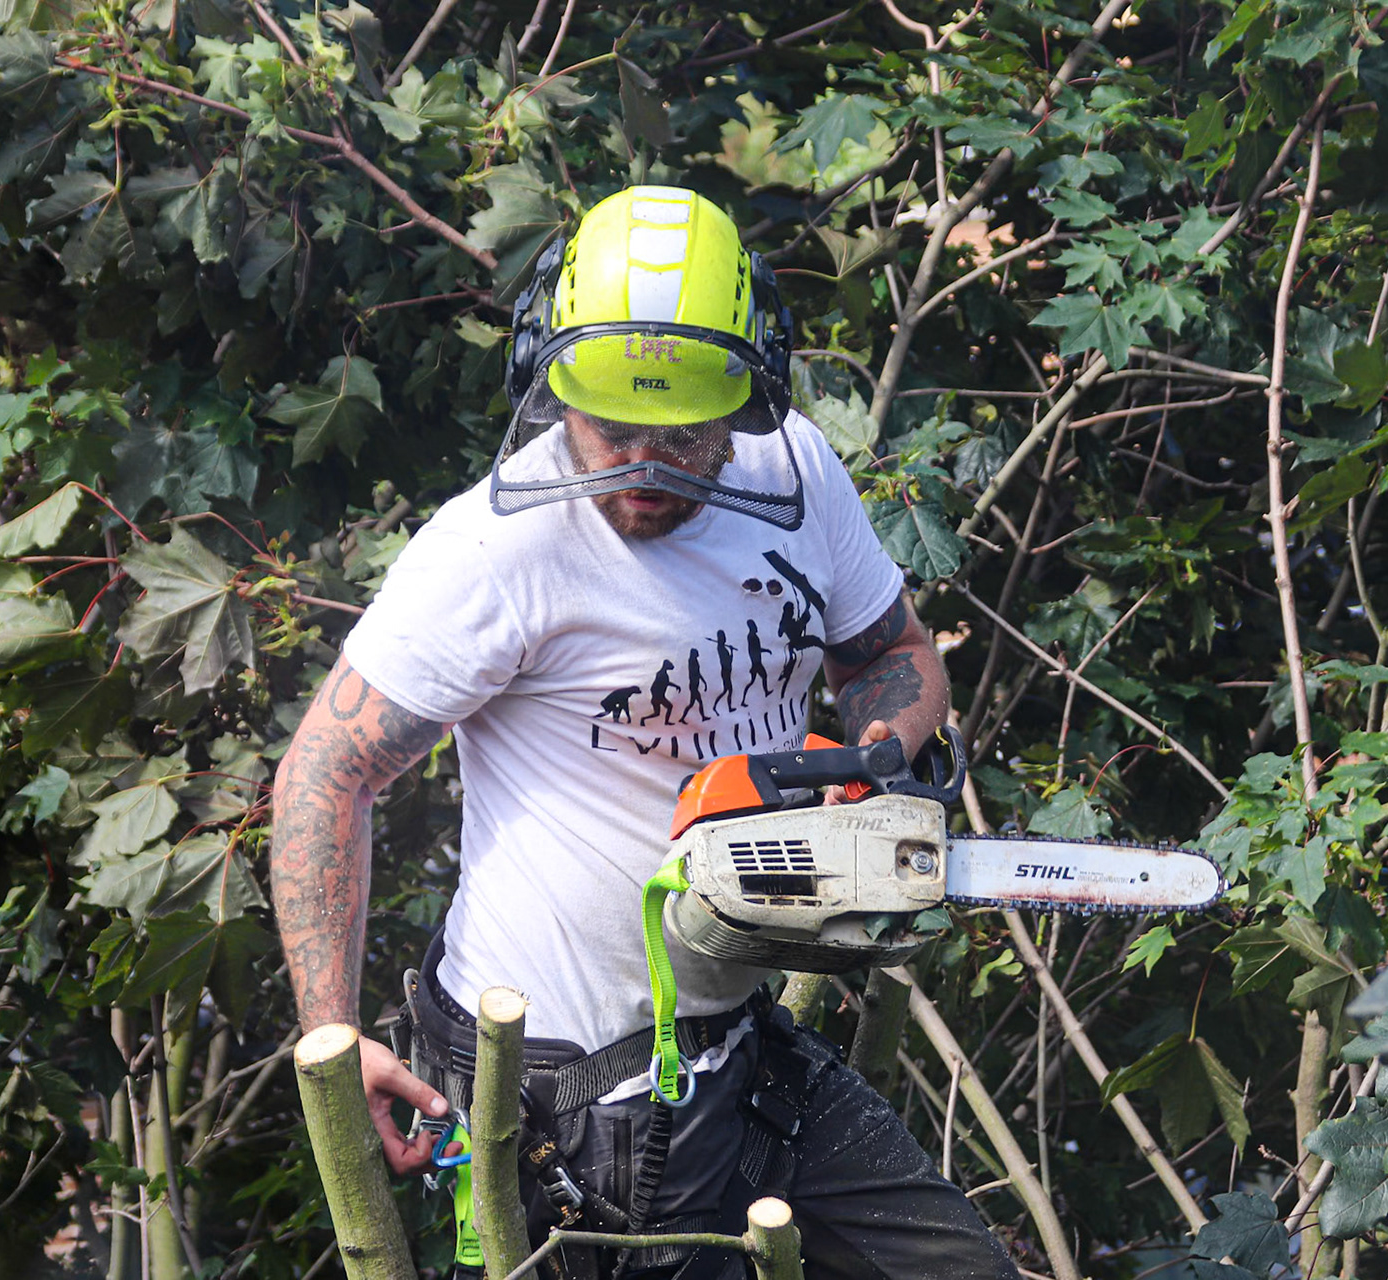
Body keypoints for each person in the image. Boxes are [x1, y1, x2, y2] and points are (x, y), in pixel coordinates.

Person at [271, 186, 1017, 1279]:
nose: (644, 468)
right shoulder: (493, 551)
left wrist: (871, 767)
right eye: (612, 426)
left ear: (746, 389)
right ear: (553, 377)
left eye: (680, 435)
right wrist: (336, 1033)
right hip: (576, 1099)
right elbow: (324, 773)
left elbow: (890, 652)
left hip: (743, 1039)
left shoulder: (800, 472)